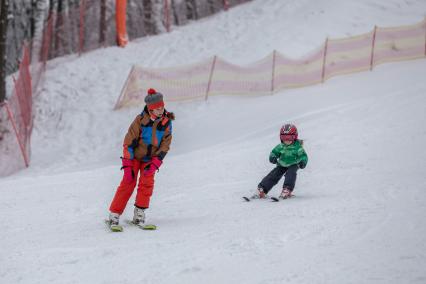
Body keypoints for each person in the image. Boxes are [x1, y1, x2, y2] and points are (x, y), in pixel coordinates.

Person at [107, 88, 174, 227]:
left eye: (162, 107)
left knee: (146, 184)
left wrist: (156, 162)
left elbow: (165, 144)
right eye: (157, 108)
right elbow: (128, 142)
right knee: (128, 182)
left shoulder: (166, 122)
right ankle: (114, 214)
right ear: (150, 109)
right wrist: (127, 163)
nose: (161, 110)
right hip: (134, 158)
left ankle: (139, 214)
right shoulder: (140, 120)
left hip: (150, 160)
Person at [253, 124, 308, 199]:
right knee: (274, 174)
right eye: (284, 137)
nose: (287, 140)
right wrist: (273, 157)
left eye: (289, 137)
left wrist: (303, 162)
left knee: (290, 173)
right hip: (282, 164)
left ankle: (287, 189)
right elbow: (274, 152)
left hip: (294, 164)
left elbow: (304, 156)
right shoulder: (281, 146)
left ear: (295, 137)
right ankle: (262, 189)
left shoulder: (297, 147)